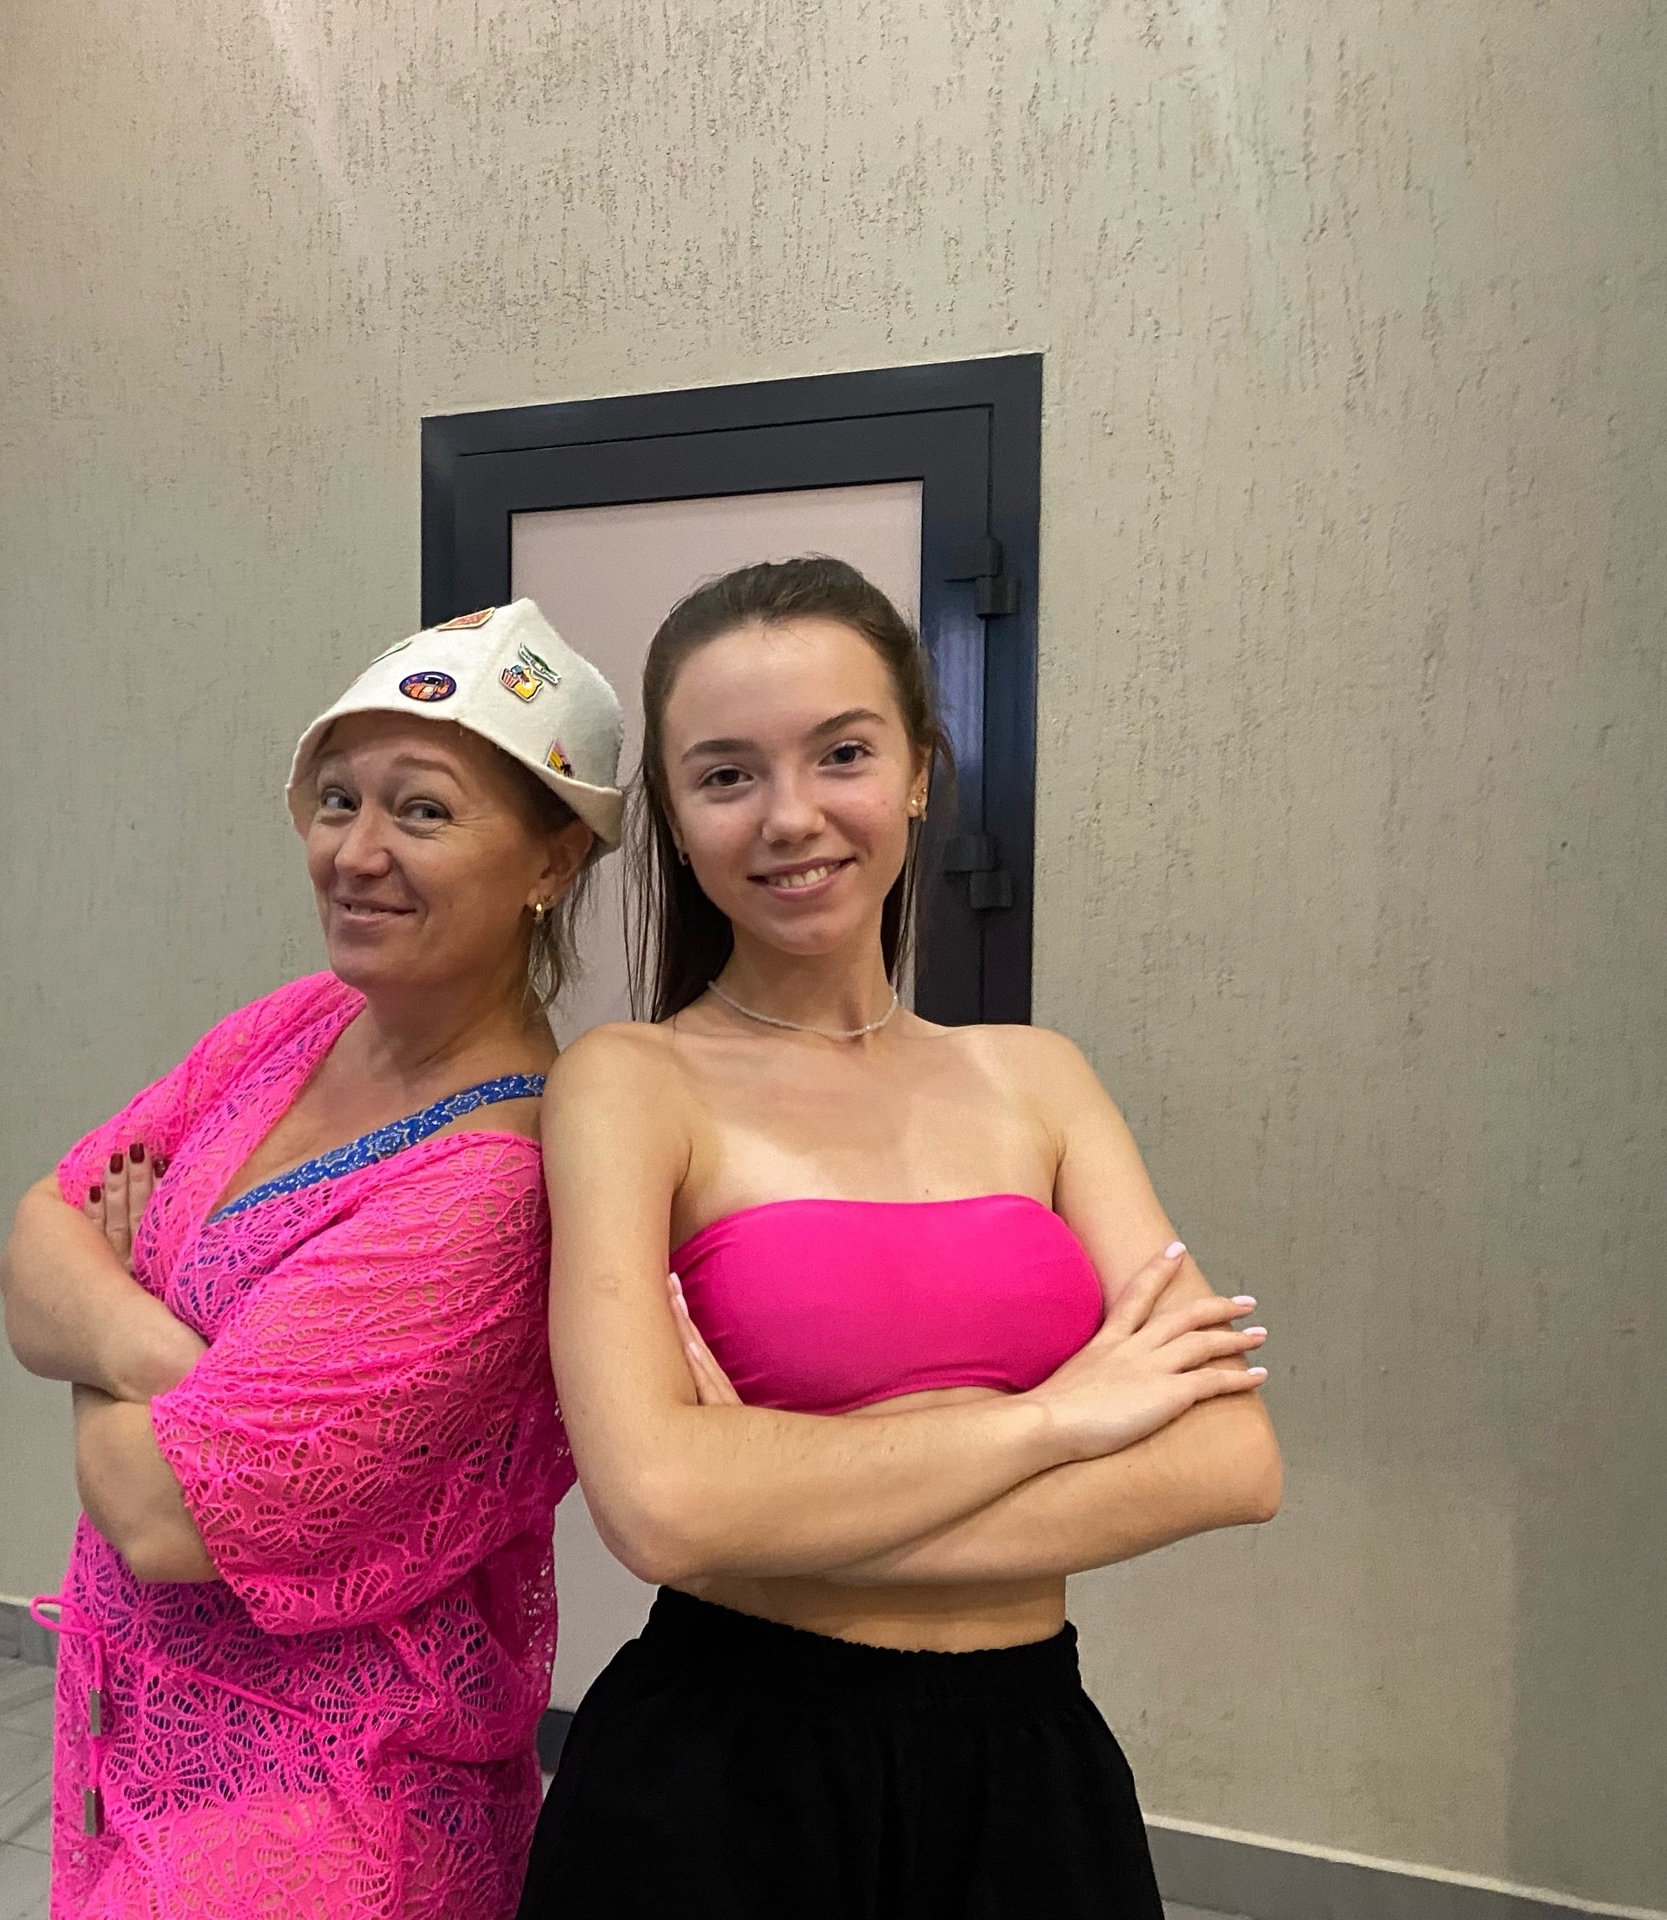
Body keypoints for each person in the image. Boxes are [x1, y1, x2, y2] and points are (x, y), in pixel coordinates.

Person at [520, 557, 1284, 1919]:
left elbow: (1229, 1461)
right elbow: (659, 1508)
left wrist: (769, 1499)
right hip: (722, 1775)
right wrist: (1058, 1421)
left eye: (844, 753)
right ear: (676, 821)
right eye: (727, 774)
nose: (791, 815)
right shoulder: (628, 1084)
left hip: (1029, 1775)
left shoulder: (1040, 1076)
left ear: (921, 771)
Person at [0, 602, 625, 1919]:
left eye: (423, 810)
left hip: (326, 1820)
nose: (357, 851)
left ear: (554, 859)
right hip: (140, 1745)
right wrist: (168, 1353)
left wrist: (115, 1302)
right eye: (338, 800)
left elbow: (160, 1512)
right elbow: (36, 1240)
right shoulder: (299, 1027)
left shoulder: (494, 1193)